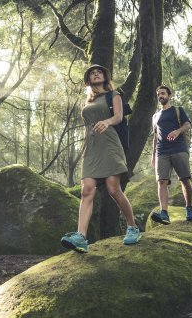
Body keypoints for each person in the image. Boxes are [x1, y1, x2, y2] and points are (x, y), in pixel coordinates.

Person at [60, 64, 141, 253]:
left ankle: (132, 227)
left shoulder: (114, 95)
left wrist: (107, 121)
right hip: (92, 149)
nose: (96, 74)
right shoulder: (88, 102)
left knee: (114, 189)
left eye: (99, 72)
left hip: (110, 145)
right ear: (88, 80)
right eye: (92, 73)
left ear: (105, 77)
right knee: (87, 190)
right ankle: (81, 237)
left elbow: (119, 116)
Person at [150, 85, 192, 224]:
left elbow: (187, 125)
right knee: (161, 181)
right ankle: (164, 213)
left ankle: (189, 207)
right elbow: (155, 137)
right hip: (161, 151)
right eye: (158, 94)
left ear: (169, 96)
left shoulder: (177, 110)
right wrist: (153, 155)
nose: (160, 96)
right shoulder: (155, 116)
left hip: (178, 148)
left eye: (163, 93)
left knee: (184, 180)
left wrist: (177, 131)